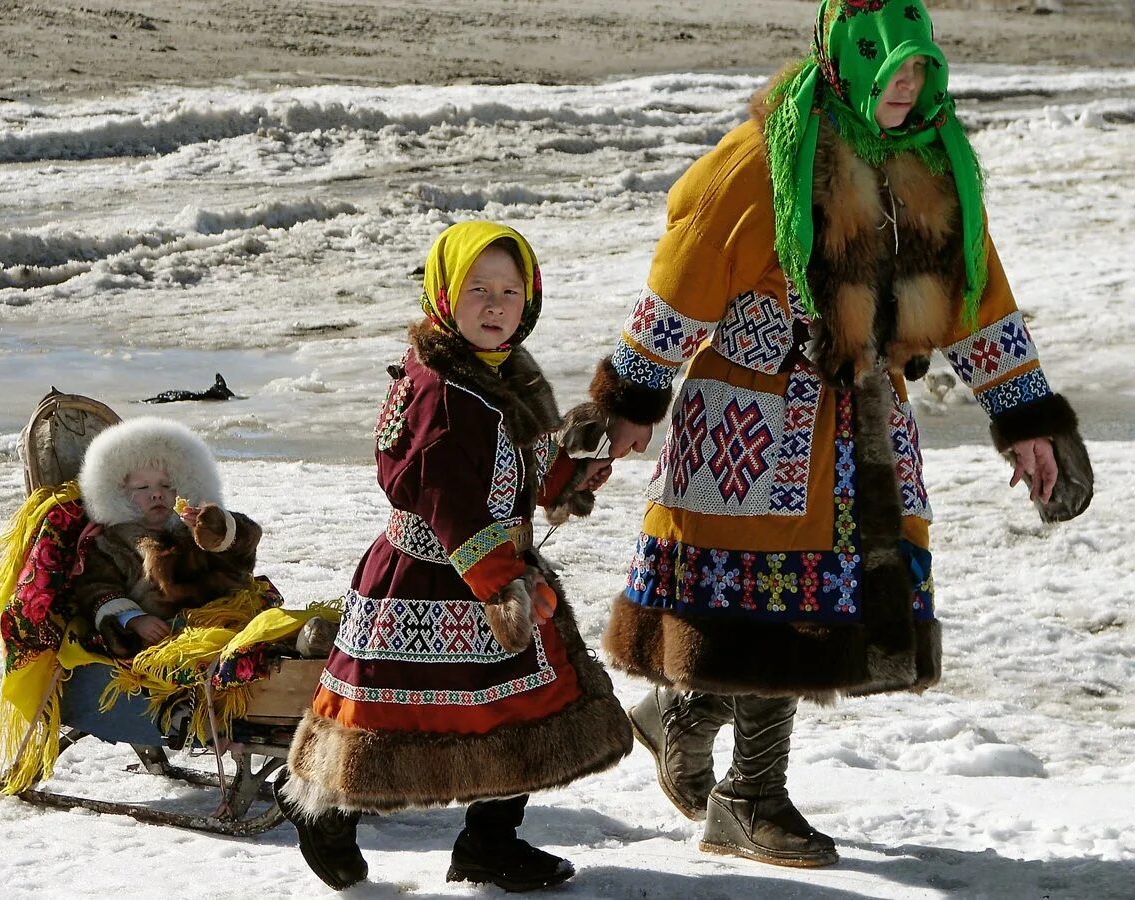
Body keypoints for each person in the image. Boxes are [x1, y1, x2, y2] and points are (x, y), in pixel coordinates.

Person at [566, 0, 1094, 869]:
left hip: (864, 431)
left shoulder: (935, 161)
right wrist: (628, 398)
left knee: (815, 612)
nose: (908, 88)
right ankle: (750, 798)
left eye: (921, 70)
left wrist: (1027, 413)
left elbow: (976, 296)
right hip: (755, 425)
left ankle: (685, 715)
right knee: (777, 616)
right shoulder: (763, 163)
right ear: (849, 63)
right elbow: (682, 281)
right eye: (892, 73)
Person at [275, 221, 633, 892]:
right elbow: (452, 505)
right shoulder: (443, 395)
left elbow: (517, 464)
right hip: (428, 579)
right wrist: (506, 588)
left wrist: (570, 470)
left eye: (509, 290)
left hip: (497, 572)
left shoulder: (502, 373)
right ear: (442, 295)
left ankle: (490, 844)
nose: (496, 306)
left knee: (524, 708)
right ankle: (324, 815)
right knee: (385, 718)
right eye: (477, 290)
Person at [73, 416, 263, 660]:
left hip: (223, 619)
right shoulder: (111, 543)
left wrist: (216, 530)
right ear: (117, 493)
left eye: (166, 485)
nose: (156, 495)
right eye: (142, 488)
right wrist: (133, 619)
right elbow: (97, 588)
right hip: (162, 637)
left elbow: (245, 547)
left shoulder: (197, 524)